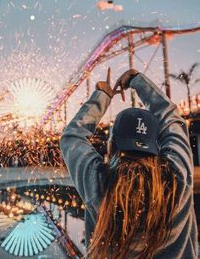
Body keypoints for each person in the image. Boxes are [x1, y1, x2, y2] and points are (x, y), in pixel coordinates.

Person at [60, 68, 198, 258]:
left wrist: (102, 97)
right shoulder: (177, 178)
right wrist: (137, 81)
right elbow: (172, 118)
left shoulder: (99, 181)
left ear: (110, 147)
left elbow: (72, 137)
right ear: (155, 146)